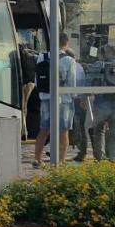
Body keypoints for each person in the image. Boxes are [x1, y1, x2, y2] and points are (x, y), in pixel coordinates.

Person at [33, 35, 76, 168]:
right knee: (63, 130)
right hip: (64, 99)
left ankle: (37, 159)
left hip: (45, 98)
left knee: (44, 129)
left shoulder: (42, 57)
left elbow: (37, 81)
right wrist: (73, 96)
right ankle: (61, 161)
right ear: (66, 44)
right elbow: (72, 82)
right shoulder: (69, 60)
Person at [88, 44, 115, 161]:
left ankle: (99, 158)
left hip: (101, 103)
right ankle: (113, 159)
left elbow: (89, 81)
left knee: (98, 130)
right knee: (114, 134)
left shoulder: (99, 65)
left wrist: (84, 96)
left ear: (109, 52)